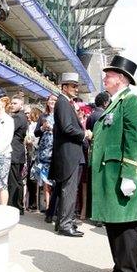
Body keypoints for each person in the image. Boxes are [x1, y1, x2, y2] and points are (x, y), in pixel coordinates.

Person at [90, 55, 137, 272]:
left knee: (124, 227)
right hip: (110, 172)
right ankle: (119, 269)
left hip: (122, 172)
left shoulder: (131, 101)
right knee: (113, 224)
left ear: (122, 79)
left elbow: (134, 142)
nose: (105, 77)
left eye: (110, 74)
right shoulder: (116, 102)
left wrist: (129, 175)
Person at [49, 73, 91, 237]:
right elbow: (67, 127)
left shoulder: (65, 102)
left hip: (70, 153)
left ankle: (64, 222)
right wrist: (84, 134)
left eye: (76, 86)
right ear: (64, 87)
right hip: (69, 153)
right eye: (73, 86)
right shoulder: (62, 102)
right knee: (69, 190)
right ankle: (66, 225)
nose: (76, 89)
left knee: (67, 189)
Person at [34, 94, 57, 218]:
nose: (52, 102)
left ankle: (55, 207)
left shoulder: (60, 116)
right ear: (47, 102)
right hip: (44, 151)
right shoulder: (43, 116)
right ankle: (48, 208)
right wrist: (43, 127)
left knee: (55, 182)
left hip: (56, 151)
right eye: (50, 100)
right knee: (46, 181)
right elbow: (36, 133)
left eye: (55, 100)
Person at [8, 94, 28, 214]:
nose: (12, 105)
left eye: (15, 103)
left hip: (15, 153)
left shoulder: (18, 118)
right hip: (17, 152)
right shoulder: (19, 117)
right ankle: (18, 206)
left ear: (21, 105)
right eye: (12, 103)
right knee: (17, 180)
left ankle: (15, 205)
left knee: (14, 181)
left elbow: (8, 130)